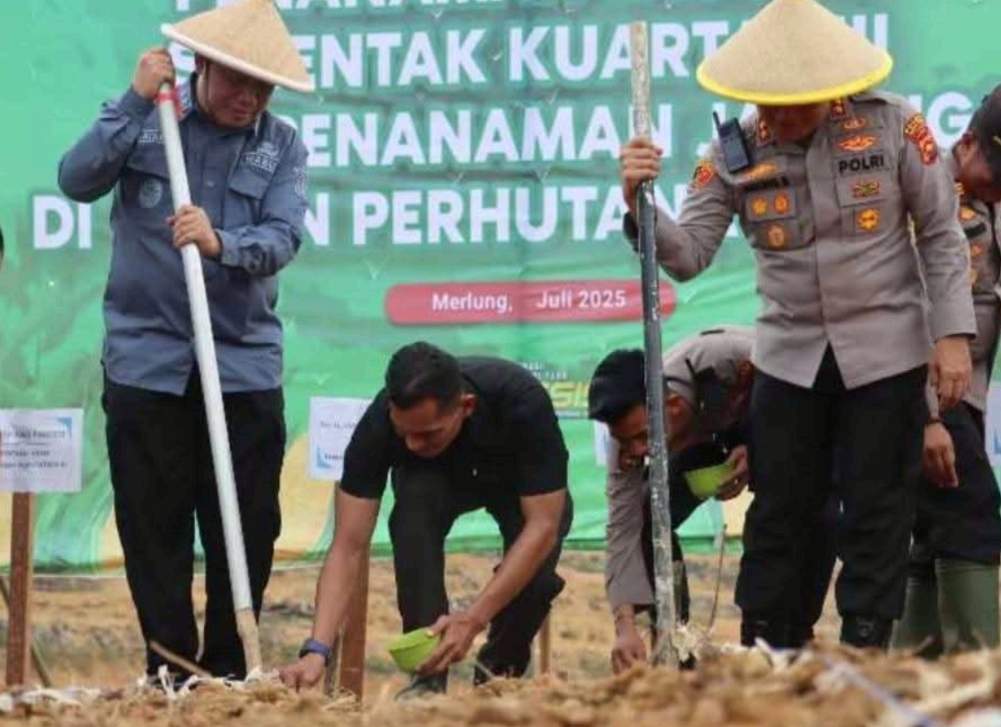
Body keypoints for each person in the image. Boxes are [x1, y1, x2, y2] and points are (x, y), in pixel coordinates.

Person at [619, 0, 975, 648]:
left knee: (876, 506)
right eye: (767, 105)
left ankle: (864, 645)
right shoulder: (731, 153)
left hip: (885, 352)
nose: (778, 119)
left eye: (795, 104)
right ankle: (770, 645)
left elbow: (942, 237)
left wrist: (949, 336)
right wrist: (638, 203)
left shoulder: (895, 125)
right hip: (787, 357)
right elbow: (687, 255)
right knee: (781, 508)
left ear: (832, 88)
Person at [57, 0, 312, 679]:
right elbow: (75, 179)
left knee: (247, 527)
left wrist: (220, 241)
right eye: (237, 81)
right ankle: (171, 673)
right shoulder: (147, 122)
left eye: (263, 86)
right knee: (153, 526)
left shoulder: (280, 144)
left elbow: (284, 236)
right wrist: (132, 102)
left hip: (242, 369)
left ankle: (229, 675)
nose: (248, 98)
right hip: (148, 363)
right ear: (202, 66)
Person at [279, 342, 572, 695]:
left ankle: (497, 680)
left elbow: (543, 525)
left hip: (519, 491)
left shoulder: (520, 400)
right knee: (411, 521)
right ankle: (427, 683)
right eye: (405, 433)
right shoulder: (377, 427)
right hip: (433, 484)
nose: (414, 444)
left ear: (466, 407)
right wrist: (316, 650)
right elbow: (347, 546)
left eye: (429, 433)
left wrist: (473, 618)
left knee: (535, 578)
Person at [589, 327, 836, 671]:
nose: (637, 452)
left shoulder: (733, 359)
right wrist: (625, 626)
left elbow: (813, 412)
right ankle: (675, 642)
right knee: (646, 513)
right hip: (705, 446)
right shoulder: (627, 439)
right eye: (625, 442)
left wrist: (760, 449)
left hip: (780, 422)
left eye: (643, 437)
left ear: (672, 406)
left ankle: (781, 640)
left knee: (802, 512)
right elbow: (622, 530)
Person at [893, 86, 1001, 656]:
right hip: (926, 392)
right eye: (997, 171)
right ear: (967, 143)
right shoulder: (929, 200)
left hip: (967, 396)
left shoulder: (989, 201)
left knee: (932, 534)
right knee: (971, 517)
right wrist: (928, 418)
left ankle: (910, 678)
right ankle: (979, 679)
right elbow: (905, 310)